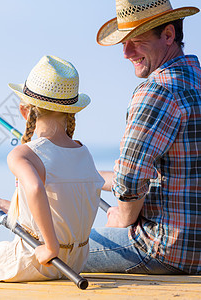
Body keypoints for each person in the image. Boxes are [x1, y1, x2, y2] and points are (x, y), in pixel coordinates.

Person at [0, 55, 104, 283]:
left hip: (38, 259)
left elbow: (35, 188)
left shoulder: (22, 154)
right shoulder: (83, 153)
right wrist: (5, 204)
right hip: (75, 261)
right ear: (71, 112)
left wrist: (51, 247)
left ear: (25, 112)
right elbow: (58, 201)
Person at [83, 0, 201, 274]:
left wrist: (121, 219)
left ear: (169, 35)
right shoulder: (195, 80)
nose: (126, 52)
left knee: (44, 249)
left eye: (135, 40)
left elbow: (131, 179)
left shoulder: (157, 91)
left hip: (164, 249)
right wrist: (84, 178)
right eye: (123, 42)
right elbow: (163, 174)